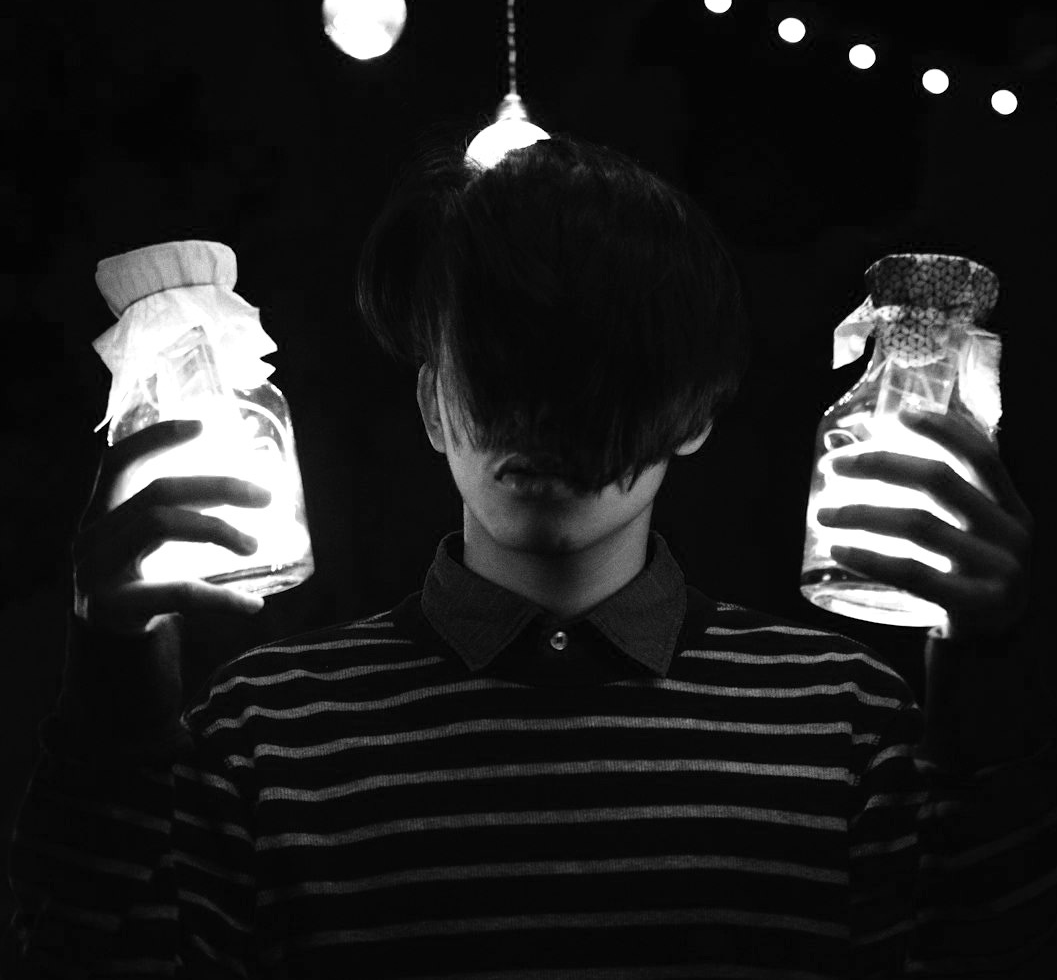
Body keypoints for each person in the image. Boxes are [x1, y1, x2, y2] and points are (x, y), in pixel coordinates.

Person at [7, 133, 1053, 978]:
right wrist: (111, 676)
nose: (543, 423)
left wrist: (986, 686)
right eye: (500, 361)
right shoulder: (263, 732)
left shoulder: (845, 720)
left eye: (599, 369)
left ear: (693, 412)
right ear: (429, 399)